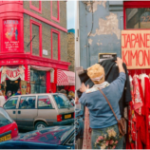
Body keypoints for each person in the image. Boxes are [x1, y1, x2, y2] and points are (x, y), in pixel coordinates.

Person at [78, 57, 126, 149]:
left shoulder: (87, 95)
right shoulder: (115, 87)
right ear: (104, 74)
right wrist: (120, 64)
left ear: (92, 79)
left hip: (98, 131)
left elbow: (82, 101)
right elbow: (122, 76)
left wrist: (86, 90)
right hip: (115, 127)